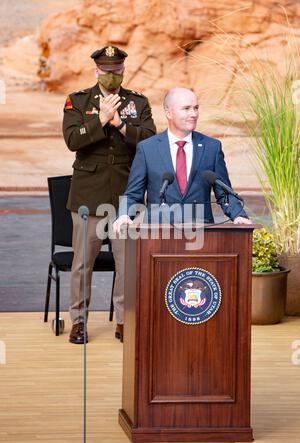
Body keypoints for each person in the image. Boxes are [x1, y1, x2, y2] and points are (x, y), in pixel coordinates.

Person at [63, 45, 156, 344]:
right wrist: (100, 120)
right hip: (88, 195)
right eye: (106, 70)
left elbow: (150, 140)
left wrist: (119, 123)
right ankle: (78, 322)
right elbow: (72, 139)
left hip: (125, 195)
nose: (111, 75)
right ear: (96, 70)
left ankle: (124, 322)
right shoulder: (78, 101)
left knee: (127, 264)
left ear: (123, 71)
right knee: (82, 264)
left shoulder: (137, 102)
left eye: (116, 70)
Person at [114, 87, 251, 233]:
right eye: (186, 108)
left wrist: (238, 215)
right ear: (169, 112)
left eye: (196, 108)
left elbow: (224, 193)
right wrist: (124, 215)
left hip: (202, 234)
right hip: (158, 235)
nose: (193, 114)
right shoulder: (147, 149)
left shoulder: (212, 147)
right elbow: (133, 193)